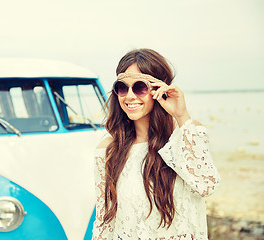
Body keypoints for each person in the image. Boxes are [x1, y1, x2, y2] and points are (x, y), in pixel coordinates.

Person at [92, 48, 220, 240]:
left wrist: (181, 115)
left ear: (160, 89)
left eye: (139, 87)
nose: (129, 96)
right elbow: (104, 220)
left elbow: (206, 185)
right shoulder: (109, 149)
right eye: (122, 87)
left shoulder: (186, 133)